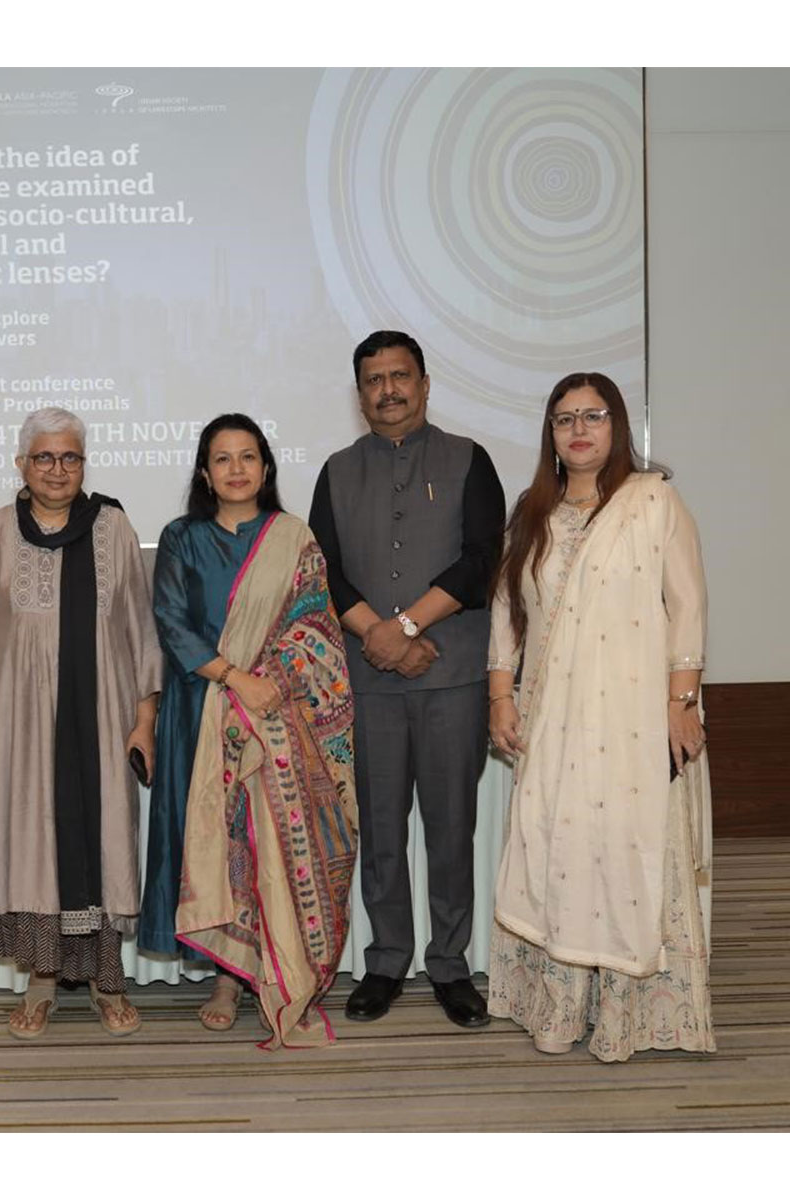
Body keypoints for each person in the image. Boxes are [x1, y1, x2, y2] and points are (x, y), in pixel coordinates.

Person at [486, 372, 715, 1060]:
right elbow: (507, 612)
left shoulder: (652, 501)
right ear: (550, 434)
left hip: (633, 726)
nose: (578, 429)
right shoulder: (533, 510)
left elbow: (689, 608)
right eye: (563, 419)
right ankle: (559, 1011)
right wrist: (500, 694)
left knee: (623, 855)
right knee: (559, 855)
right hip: (553, 722)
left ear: (617, 426)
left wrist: (682, 705)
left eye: (593, 415)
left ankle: (626, 1017)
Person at [308, 330, 506, 1029]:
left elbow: (481, 559)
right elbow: (324, 570)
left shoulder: (469, 461)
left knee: (452, 830)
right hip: (369, 685)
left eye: (400, 377)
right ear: (359, 393)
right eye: (373, 380)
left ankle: (450, 966)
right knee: (381, 831)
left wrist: (409, 629)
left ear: (424, 384)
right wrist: (378, 636)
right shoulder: (336, 471)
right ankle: (387, 959)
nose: (387, 390)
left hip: (450, 679)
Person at [144, 414, 358, 1049]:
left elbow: (316, 628)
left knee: (264, 842)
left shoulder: (293, 537)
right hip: (201, 708)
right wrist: (237, 679)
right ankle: (223, 978)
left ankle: (264, 966)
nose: (235, 469)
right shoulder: (181, 537)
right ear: (205, 474)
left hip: (276, 718)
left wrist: (266, 687)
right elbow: (170, 621)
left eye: (247, 457)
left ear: (265, 468)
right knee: (211, 839)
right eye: (221, 459)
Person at [0, 408, 161, 1039]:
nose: (58, 469)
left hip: (100, 721)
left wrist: (144, 721)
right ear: (22, 464)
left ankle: (106, 983)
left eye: (70, 457)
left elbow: (141, 633)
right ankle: (40, 985)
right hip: (19, 728)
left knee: (102, 842)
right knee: (32, 846)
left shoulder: (114, 527)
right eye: (44, 457)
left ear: (84, 464)